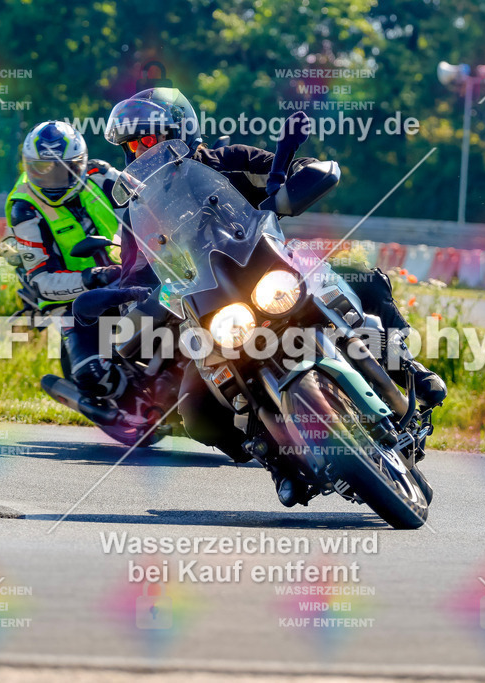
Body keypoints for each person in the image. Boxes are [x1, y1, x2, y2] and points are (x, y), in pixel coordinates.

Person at [103, 89, 447, 504]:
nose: (141, 153)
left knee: (366, 282)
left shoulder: (228, 161)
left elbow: (298, 170)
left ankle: (406, 368)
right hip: (213, 310)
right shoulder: (141, 213)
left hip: (272, 275)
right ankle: (278, 461)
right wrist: (128, 304)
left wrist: (296, 182)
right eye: (132, 146)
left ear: (181, 130)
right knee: (197, 411)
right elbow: (135, 274)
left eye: (147, 140)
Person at [4, 120, 123, 380]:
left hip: (124, 276)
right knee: (93, 375)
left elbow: (147, 200)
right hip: (68, 296)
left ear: (80, 164)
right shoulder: (24, 209)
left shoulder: (101, 175)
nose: (51, 181)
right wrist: (92, 277)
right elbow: (42, 281)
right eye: (41, 170)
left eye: (62, 171)